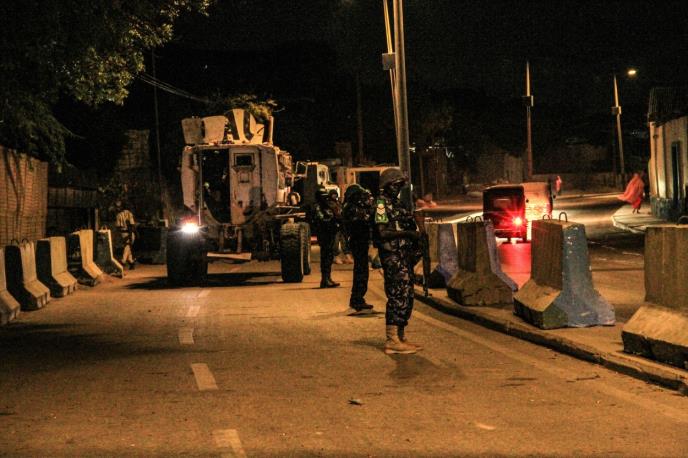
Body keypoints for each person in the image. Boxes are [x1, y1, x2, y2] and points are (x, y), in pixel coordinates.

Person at [372, 169, 423, 354]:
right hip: (392, 256)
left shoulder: (398, 204)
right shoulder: (380, 204)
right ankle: (392, 339)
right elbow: (382, 232)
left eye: (400, 185)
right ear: (386, 185)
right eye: (395, 185)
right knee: (397, 294)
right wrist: (408, 233)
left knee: (407, 295)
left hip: (404, 255)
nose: (398, 189)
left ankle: (400, 336)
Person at [342, 184, 374, 311]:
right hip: (358, 242)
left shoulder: (353, 207)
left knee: (361, 270)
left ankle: (358, 298)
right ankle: (357, 299)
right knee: (361, 271)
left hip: (359, 242)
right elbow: (361, 222)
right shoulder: (352, 208)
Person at [308, 186, 341, 288]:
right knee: (326, 256)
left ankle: (328, 278)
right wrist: (332, 220)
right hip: (324, 234)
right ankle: (325, 279)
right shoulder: (318, 207)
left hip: (330, 233)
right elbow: (321, 219)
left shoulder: (326, 205)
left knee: (329, 257)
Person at [115, 200, 136, 269]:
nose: (118, 208)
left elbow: (118, 227)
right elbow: (132, 225)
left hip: (125, 233)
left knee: (127, 246)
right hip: (129, 233)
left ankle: (123, 261)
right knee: (128, 247)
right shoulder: (129, 213)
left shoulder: (119, 215)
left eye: (119, 207)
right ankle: (131, 262)